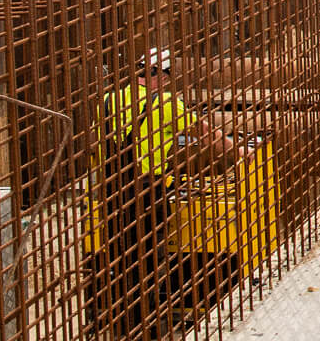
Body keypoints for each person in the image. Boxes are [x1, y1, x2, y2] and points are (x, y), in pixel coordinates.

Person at [92, 48, 246, 337]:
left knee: (119, 257)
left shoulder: (108, 100)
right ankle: (144, 326)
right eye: (164, 77)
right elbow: (204, 133)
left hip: (111, 191)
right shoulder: (165, 102)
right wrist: (239, 152)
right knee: (148, 260)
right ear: (157, 76)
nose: (165, 83)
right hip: (148, 190)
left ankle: (120, 325)